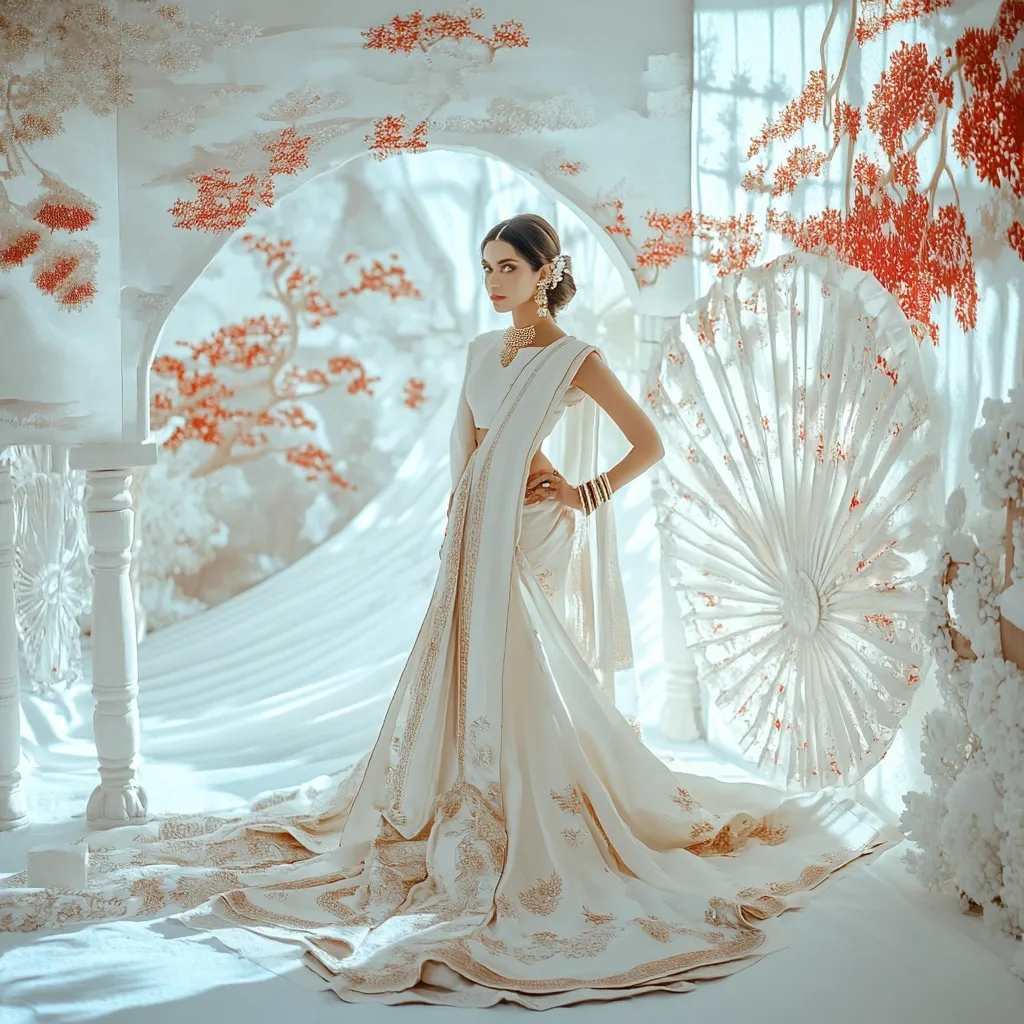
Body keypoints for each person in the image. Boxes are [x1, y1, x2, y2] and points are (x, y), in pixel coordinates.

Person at [0, 214, 892, 1009]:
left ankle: (531, 800)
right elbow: (465, 455)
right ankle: (467, 782)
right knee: (474, 659)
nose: (495, 279)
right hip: (474, 530)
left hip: (536, 529)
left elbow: (649, 443)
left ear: (547, 272)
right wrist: (453, 541)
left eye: (509, 266)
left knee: (526, 665)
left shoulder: (573, 358)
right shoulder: (478, 352)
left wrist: (582, 493)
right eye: (488, 265)